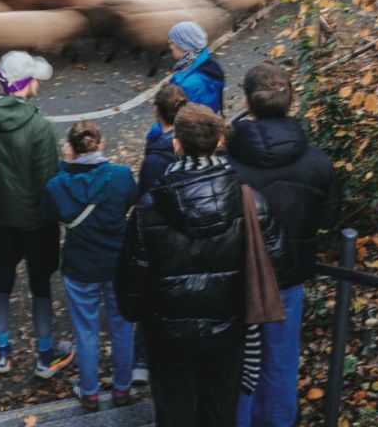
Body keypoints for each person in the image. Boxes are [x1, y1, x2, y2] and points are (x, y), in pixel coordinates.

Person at [117, 104, 282, 427]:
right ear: (219, 140)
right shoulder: (250, 200)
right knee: (220, 413)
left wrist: (140, 314)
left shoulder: (149, 210)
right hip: (228, 331)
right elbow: (278, 264)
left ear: (176, 143)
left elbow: (131, 281)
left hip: (168, 334)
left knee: (173, 412)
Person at [226, 62, 340, 427]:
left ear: (247, 101)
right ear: (291, 100)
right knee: (281, 361)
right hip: (289, 277)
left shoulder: (226, 163)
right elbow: (328, 218)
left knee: (238, 363)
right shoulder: (318, 163)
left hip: (237, 280)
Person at [0, 51, 75, 379]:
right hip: (38, 222)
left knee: (2, 279)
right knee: (41, 285)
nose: (39, 81)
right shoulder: (39, 126)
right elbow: (48, 182)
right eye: (36, 78)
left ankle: (2, 351)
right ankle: (44, 356)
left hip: (1, 217)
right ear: (27, 84)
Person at [41, 121, 139, 411]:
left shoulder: (57, 185)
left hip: (80, 265)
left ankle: (90, 392)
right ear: (101, 143)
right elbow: (131, 201)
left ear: (71, 148)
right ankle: (122, 388)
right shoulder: (120, 176)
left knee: (86, 331)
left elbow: (49, 213)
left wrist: (64, 166)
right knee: (122, 327)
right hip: (117, 262)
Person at [131, 83, 188, 384]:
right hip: (187, 237)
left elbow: (145, 200)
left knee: (152, 296)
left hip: (162, 239)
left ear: (156, 111)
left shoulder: (155, 158)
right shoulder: (190, 146)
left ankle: (142, 359)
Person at [146, 22, 224, 142]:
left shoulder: (187, 84)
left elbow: (173, 120)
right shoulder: (206, 63)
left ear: (182, 48)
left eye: (171, 42)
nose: (170, 46)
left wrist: (152, 136)